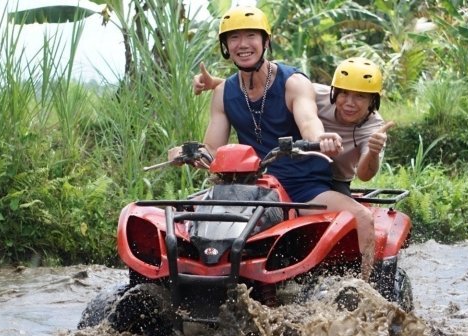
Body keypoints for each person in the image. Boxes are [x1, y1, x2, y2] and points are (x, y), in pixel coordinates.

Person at [169, 6, 377, 281]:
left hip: (304, 188)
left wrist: (320, 139)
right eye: (234, 38)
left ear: (266, 41)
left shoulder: (293, 82)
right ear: (225, 47)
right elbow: (213, 151)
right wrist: (185, 152)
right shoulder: (223, 93)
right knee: (176, 219)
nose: (243, 44)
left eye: (251, 36)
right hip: (251, 189)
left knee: (363, 218)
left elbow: (309, 121)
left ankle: (371, 293)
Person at [193, 57, 395, 196]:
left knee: (351, 219)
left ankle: (366, 259)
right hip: (298, 169)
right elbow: (272, 88)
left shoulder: (374, 128)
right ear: (335, 92)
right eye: (344, 93)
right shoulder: (319, 94)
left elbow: (364, 175)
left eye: (360, 96)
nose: (349, 102)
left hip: (335, 179)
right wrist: (216, 84)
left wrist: (373, 152)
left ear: (373, 101)